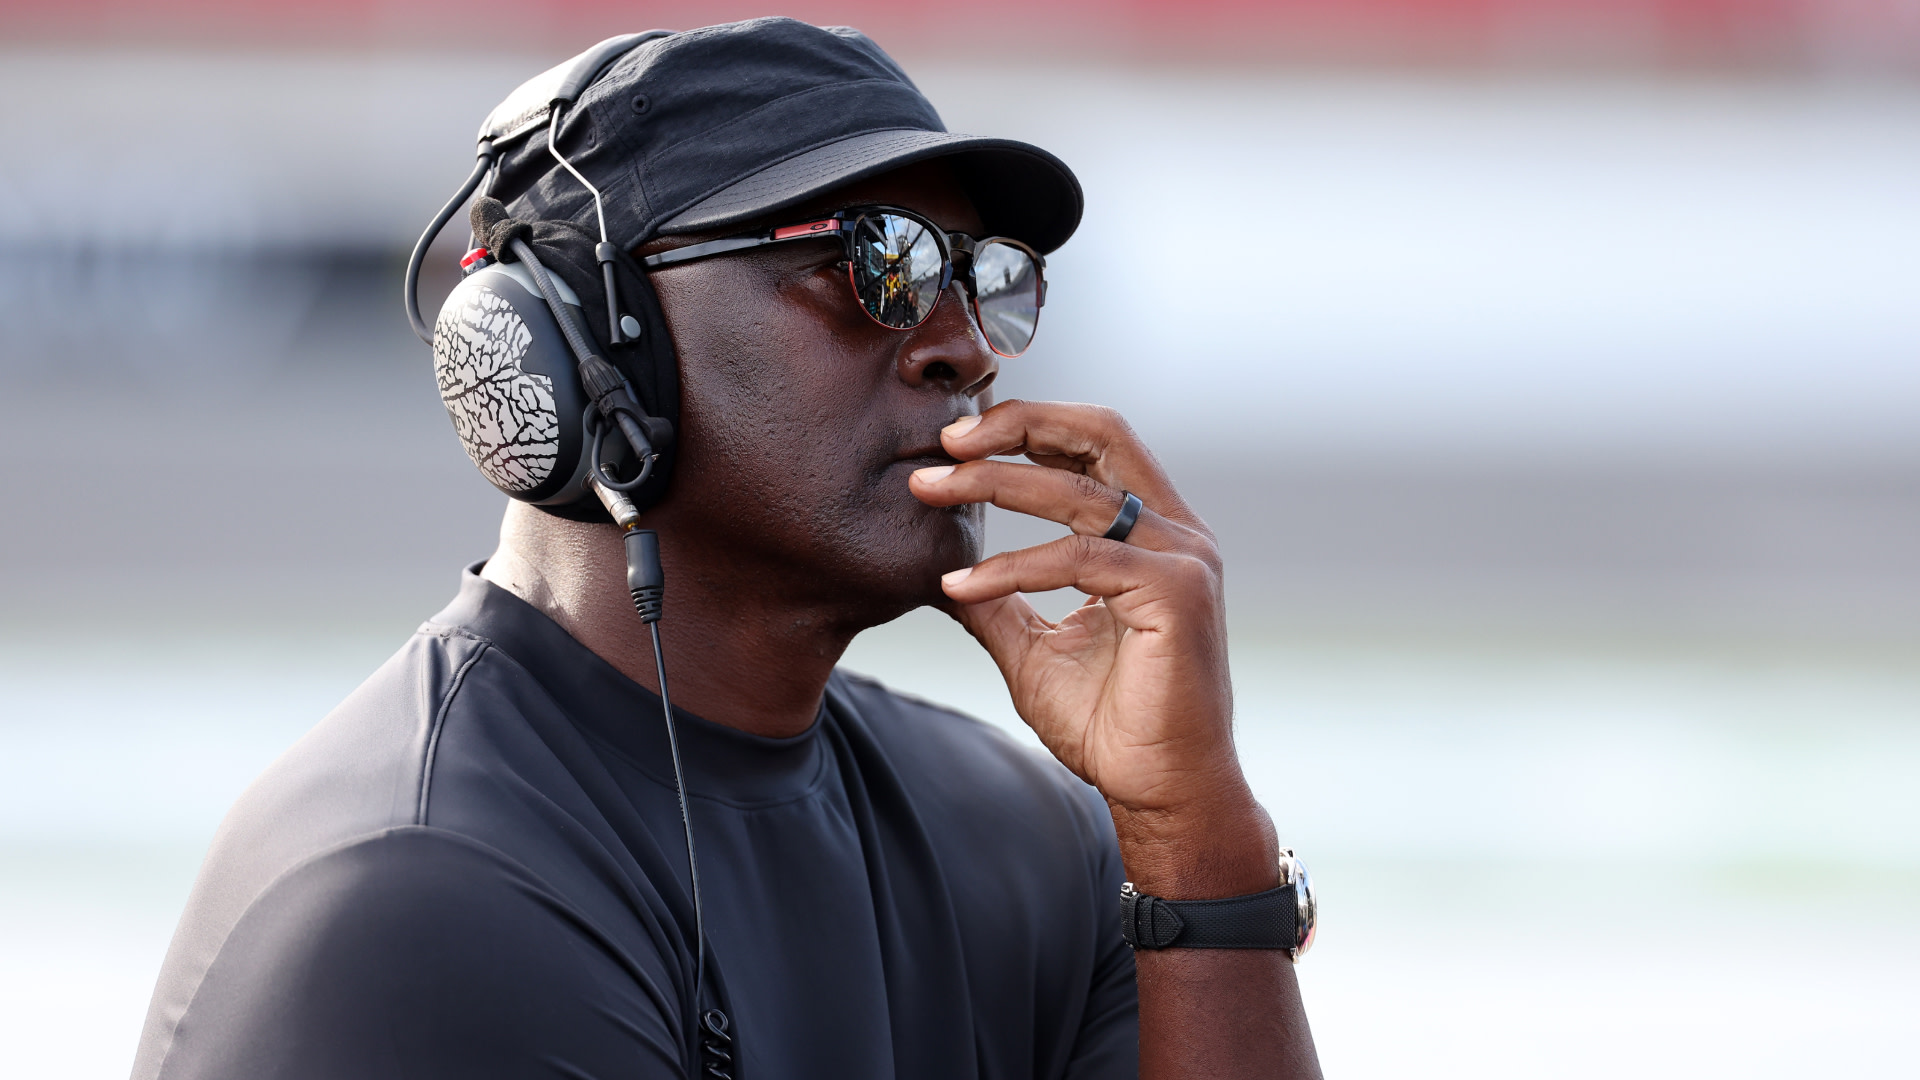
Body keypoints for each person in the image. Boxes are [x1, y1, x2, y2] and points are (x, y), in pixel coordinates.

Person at [132, 18, 1319, 1080]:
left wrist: (1195, 841)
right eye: (876, 264)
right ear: (588, 348)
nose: (964, 347)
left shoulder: (1037, 842)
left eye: (983, 279)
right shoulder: (422, 896)